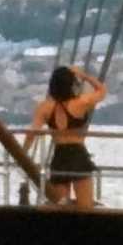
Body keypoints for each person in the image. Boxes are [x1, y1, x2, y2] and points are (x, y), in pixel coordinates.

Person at [23, 64, 107, 208]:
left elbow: (32, 133)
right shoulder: (82, 102)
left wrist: (23, 152)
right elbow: (102, 91)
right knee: (85, 206)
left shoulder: (44, 107)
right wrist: (84, 75)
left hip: (60, 156)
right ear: (71, 84)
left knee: (61, 207)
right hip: (78, 155)